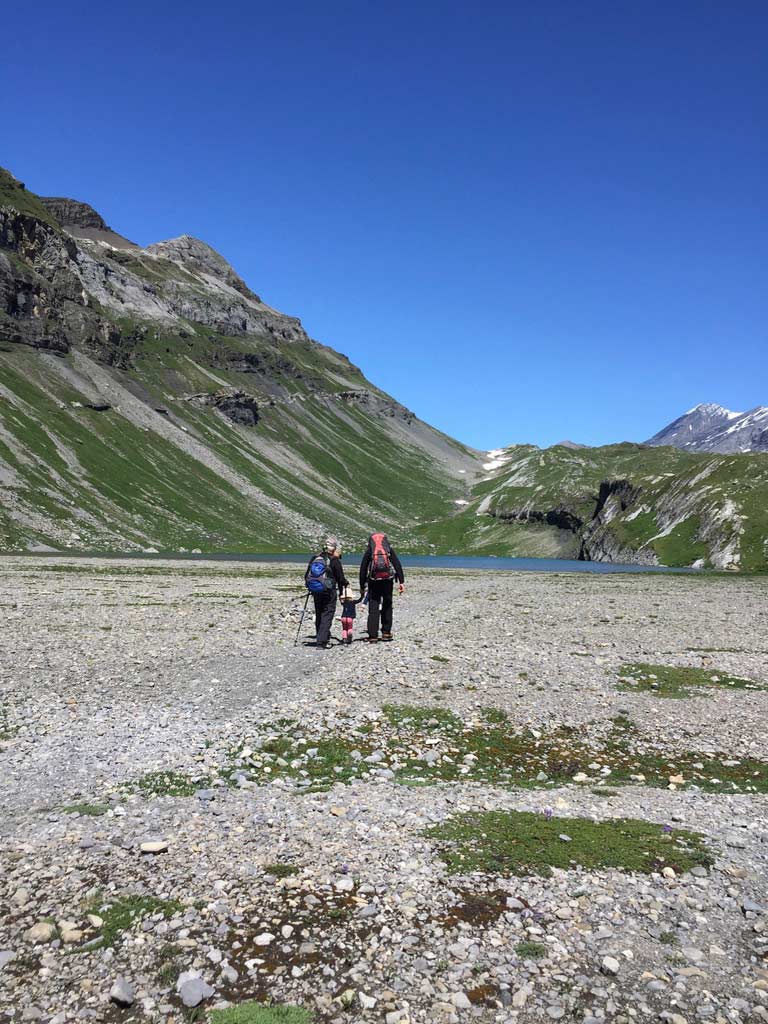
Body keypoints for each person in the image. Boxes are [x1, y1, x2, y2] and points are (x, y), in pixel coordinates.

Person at [359, 531, 405, 642]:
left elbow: (363, 569)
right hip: (387, 580)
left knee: (373, 607)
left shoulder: (370, 550)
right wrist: (401, 582)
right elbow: (397, 564)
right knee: (387, 604)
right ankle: (386, 632)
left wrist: (362, 585)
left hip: (373, 581)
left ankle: (373, 635)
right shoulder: (388, 549)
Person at [305, 537, 348, 648]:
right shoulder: (334, 560)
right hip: (329, 591)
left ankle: (321, 636)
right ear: (334, 548)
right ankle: (322, 641)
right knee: (328, 613)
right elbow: (340, 578)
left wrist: (310, 586)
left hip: (316, 589)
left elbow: (307, 575)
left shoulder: (316, 558)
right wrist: (345, 585)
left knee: (319, 612)